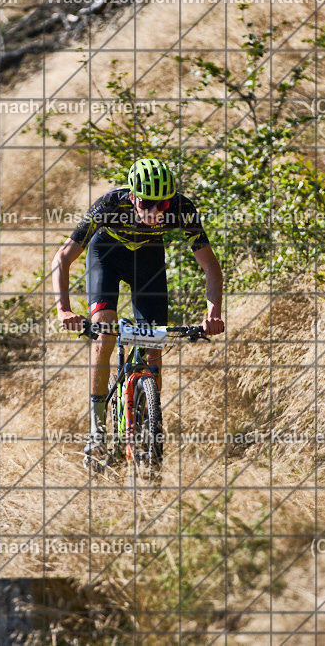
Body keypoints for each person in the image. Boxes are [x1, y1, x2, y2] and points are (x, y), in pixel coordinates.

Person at [52, 158, 225, 467]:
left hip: (148, 261)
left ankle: (148, 424)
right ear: (132, 196)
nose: (156, 212)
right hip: (106, 256)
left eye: (163, 204)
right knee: (104, 337)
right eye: (147, 203)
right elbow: (63, 257)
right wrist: (63, 309)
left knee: (154, 344)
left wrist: (213, 314)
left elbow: (210, 265)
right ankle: (97, 429)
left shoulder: (182, 209)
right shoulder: (108, 205)